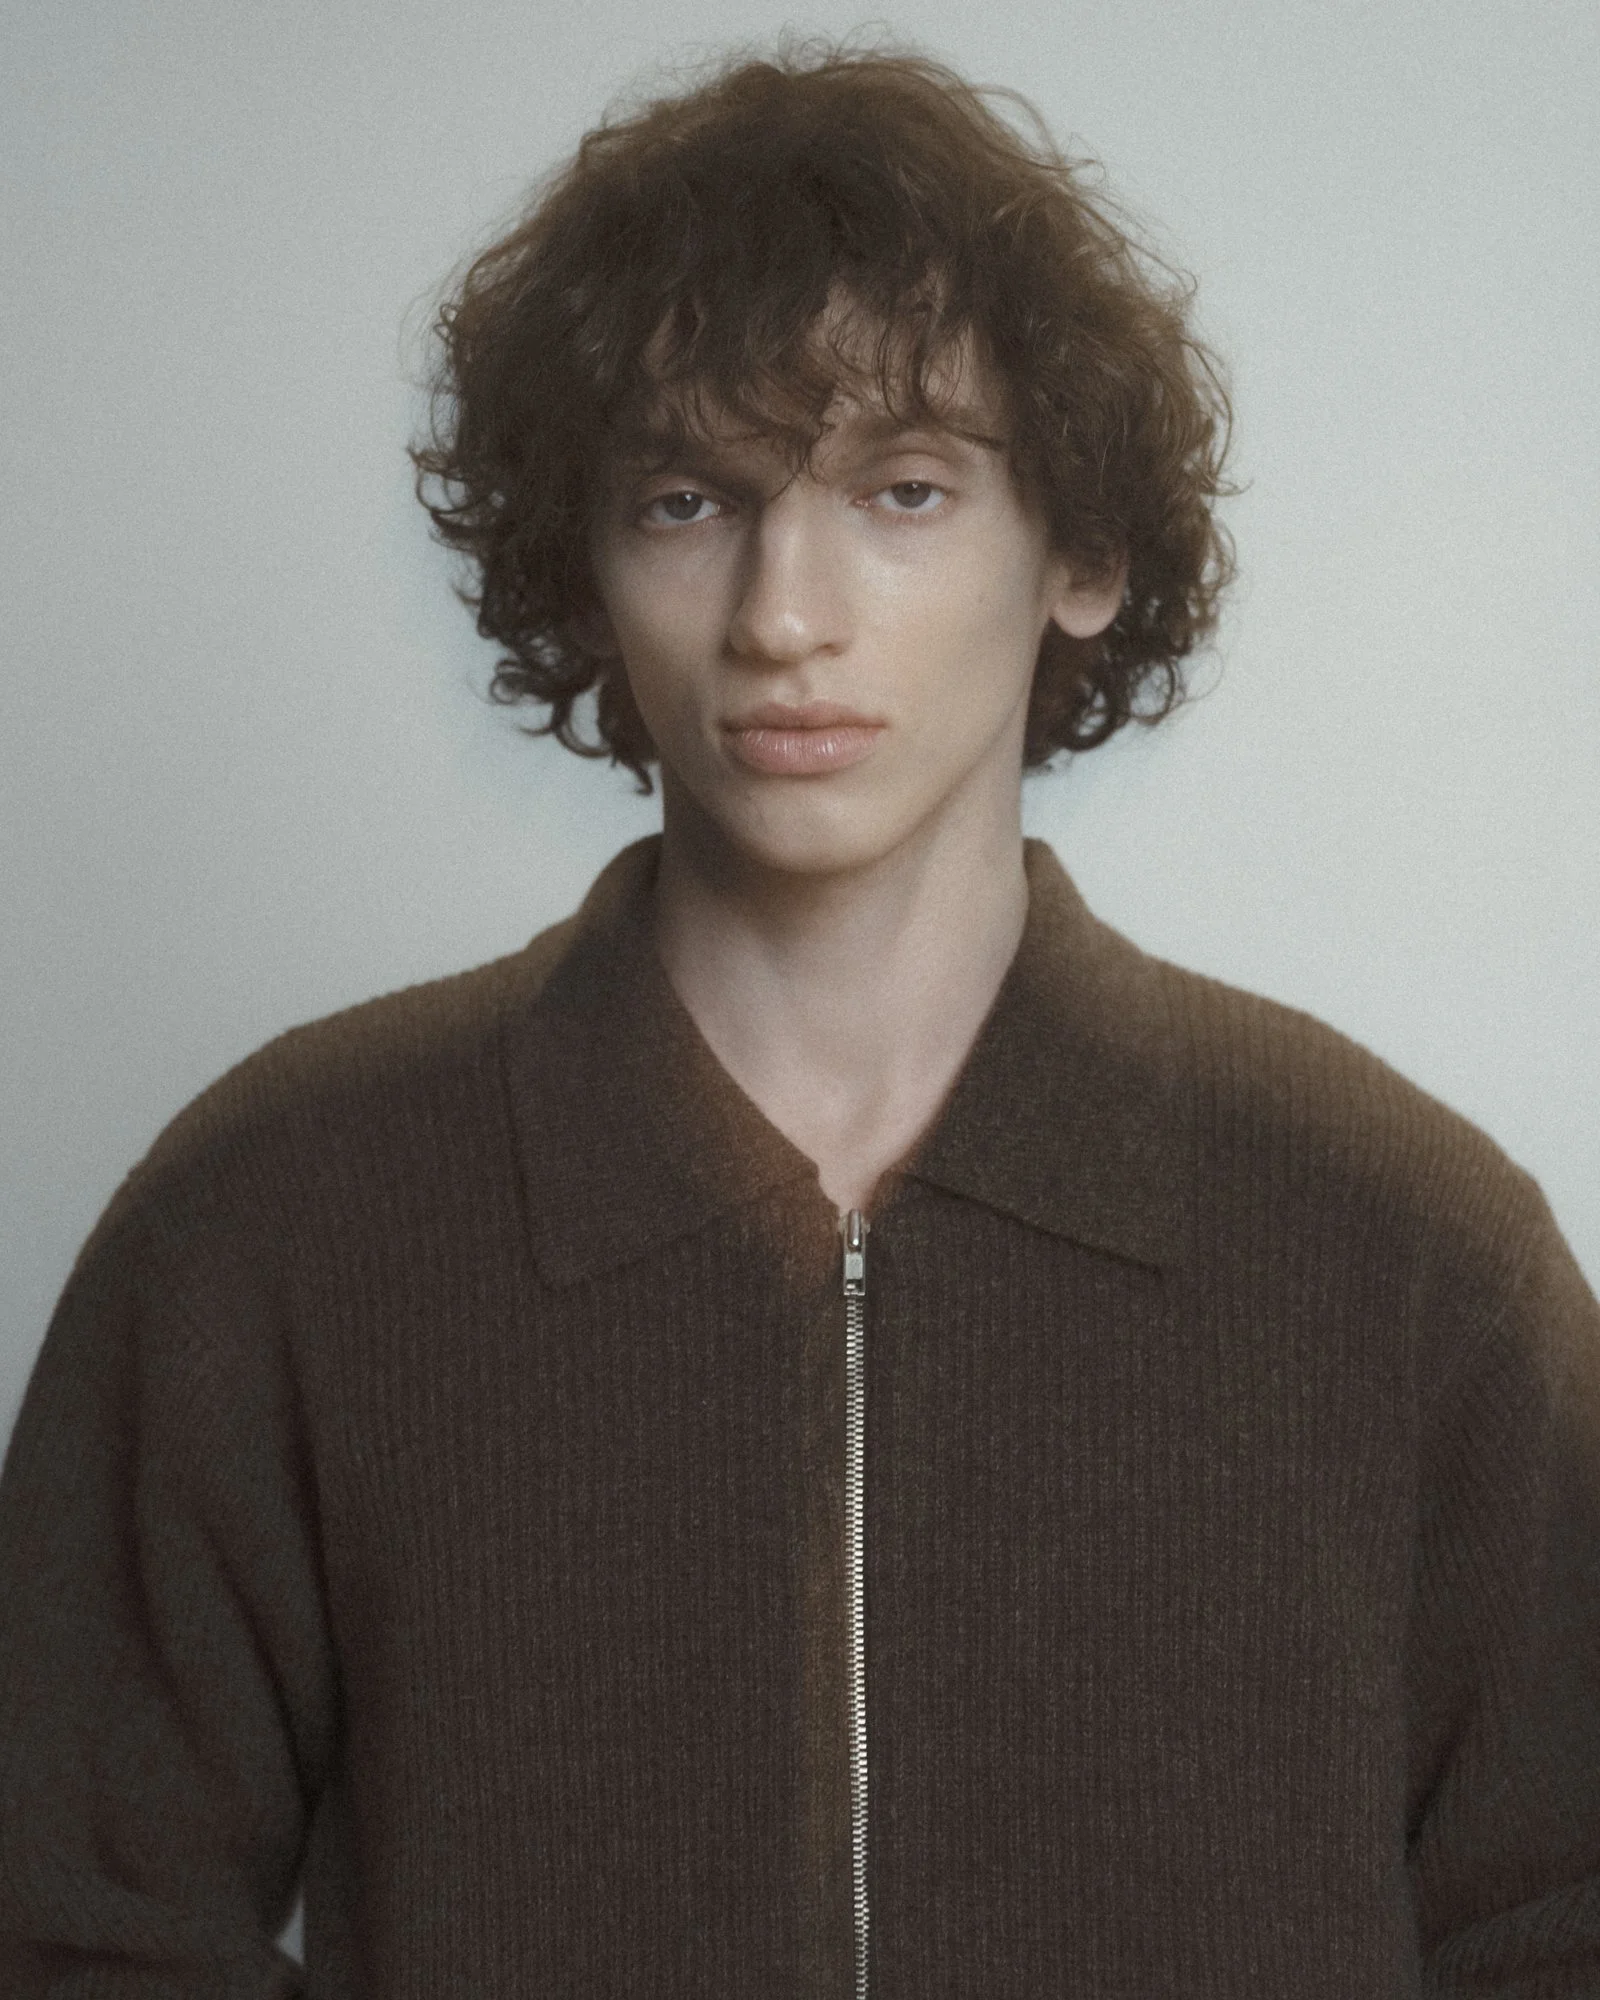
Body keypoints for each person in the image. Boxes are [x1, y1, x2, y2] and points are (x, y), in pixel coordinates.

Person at [1, 37, 1596, 1999]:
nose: (781, 609)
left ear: (1078, 552)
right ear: (583, 564)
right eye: (688, 497)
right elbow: (73, 1926)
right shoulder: (276, 1219)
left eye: (901, 490)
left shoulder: (1404, 1248)